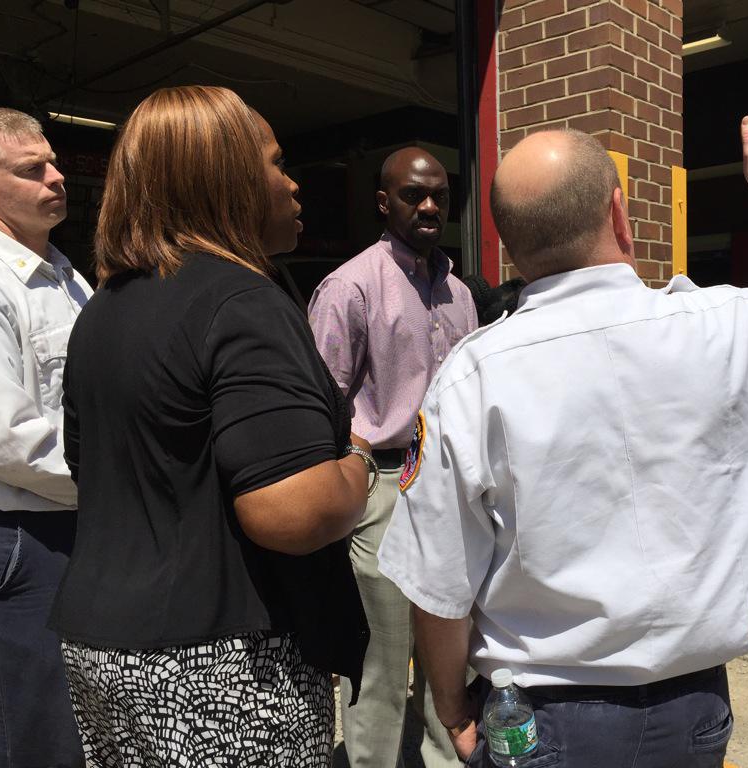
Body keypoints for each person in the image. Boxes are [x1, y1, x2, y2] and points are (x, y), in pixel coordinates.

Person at [378, 109, 748, 767]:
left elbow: (439, 584)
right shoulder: (728, 329)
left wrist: (453, 709)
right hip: (692, 714)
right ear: (620, 215)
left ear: (510, 245)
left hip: (539, 723)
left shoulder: (471, 376)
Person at [49, 85, 370, 766]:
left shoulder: (102, 310)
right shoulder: (243, 302)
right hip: (221, 665)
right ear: (227, 180)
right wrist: (357, 464)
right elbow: (292, 512)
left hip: (102, 646)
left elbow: (89, 466)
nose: (293, 184)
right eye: (276, 163)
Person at [308, 147, 478, 768]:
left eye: (439, 195)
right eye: (413, 195)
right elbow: (323, 405)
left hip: (451, 488)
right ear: (384, 203)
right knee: (381, 663)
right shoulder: (350, 287)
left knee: (450, 657)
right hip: (382, 485)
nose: (429, 206)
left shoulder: (460, 293)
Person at [0, 107, 89, 768]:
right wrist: (123, 486)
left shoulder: (67, 277)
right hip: (17, 537)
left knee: (82, 727)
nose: (56, 178)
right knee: (37, 737)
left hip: (73, 524)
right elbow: (2, 440)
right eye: (31, 169)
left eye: (53, 163)